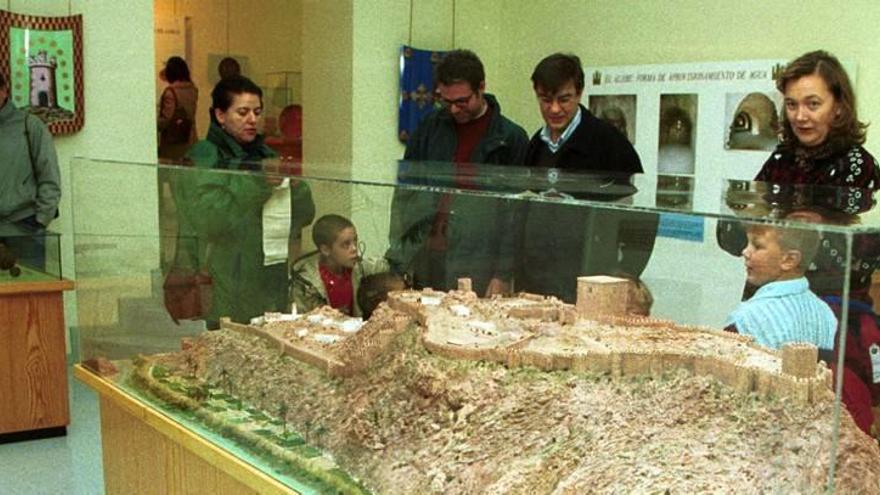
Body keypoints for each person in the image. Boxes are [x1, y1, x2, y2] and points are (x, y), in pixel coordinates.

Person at [173, 75, 315, 326]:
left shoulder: (267, 155)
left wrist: (296, 187)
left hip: (270, 276)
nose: (252, 119)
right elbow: (209, 220)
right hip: (224, 278)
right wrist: (257, 182)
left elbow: (304, 216)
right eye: (243, 112)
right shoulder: (204, 155)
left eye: (257, 112)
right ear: (220, 115)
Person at [386, 49, 529, 296]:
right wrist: (399, 255)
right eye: (446, 101)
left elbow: (514, 215)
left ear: (481, 88)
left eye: (462, 101)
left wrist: (503, 274)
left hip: (477, 261)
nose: (453, 109)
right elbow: (405, 193)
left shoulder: (510, 138)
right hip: (426, 255)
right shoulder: (430, 126)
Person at [518, 53, 656, 302]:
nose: (554, 109)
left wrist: (627, 273)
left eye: (564, 99)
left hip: (591, 278)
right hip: (538, 277)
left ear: (579, 93)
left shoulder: (610, 144)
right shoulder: (535, 146)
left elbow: (641, 218)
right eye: (545, 100)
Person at [755, 50, 878, 188]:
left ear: (839, 106)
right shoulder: (783, 157)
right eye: (791, 104)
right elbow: (753, 205)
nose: (800, 116)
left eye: (813, 104)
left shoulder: (857, 164)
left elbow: (818, 210)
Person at [724, 223, 836, 350]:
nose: (745, 252)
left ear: (789, 260)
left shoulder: (746, 319)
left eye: (757, 246)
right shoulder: (825, 312)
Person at [0, 71, 61, 270]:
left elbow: (49, 176)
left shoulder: (30, 125)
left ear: (4, 91)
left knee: (32, 297)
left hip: (24, 230)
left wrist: (40, 221)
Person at [291, 214, 389, 316]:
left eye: (355, 240)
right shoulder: (306, 283)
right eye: (346, 244)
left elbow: (384, 265)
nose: (354, 248)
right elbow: (304, 319)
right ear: (326, 250)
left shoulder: (356, 267)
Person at [157, 56, 199, 161]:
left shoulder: (171, 92)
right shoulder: (193, 90)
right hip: (190, 138)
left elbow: (167, 119)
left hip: (174, 142)